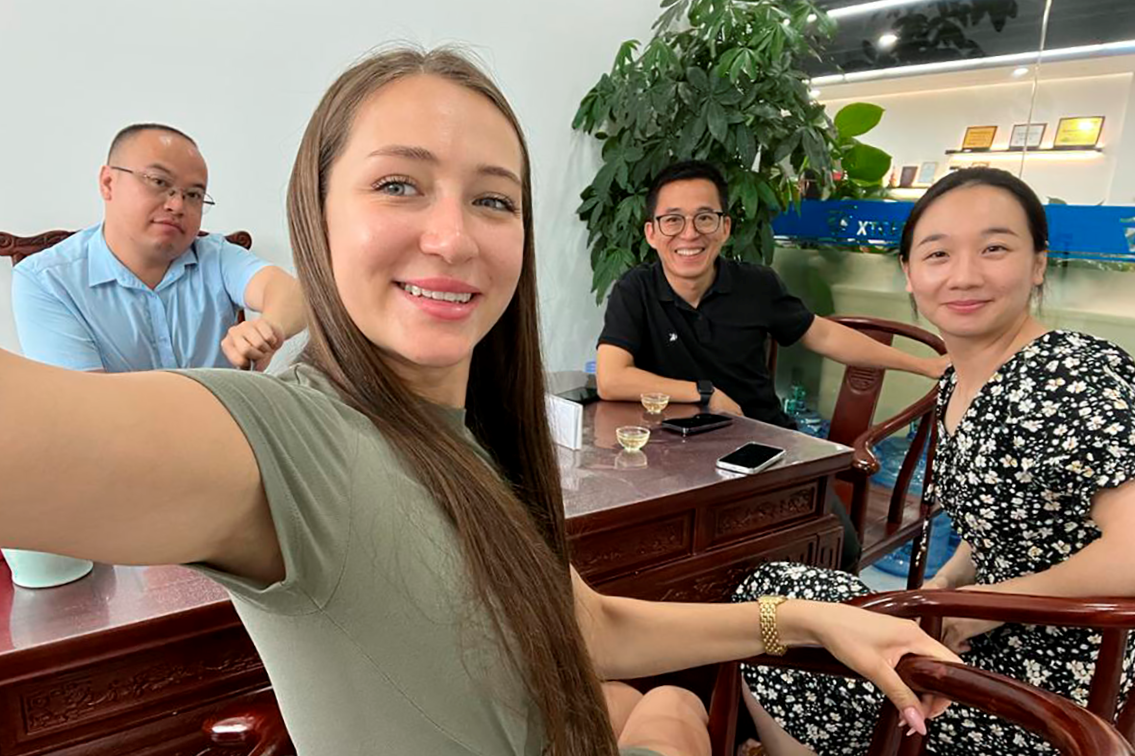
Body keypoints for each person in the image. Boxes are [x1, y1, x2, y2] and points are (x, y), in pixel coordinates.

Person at [0, 48, 959, 756]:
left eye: (493, 200)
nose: (453, 238)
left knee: (657, 704)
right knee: (667, 712)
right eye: (398, 185)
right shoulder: (284, 439)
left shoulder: (477, 439)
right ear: (316, 216)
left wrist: (805, 619)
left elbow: (586, 627)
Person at [733, 167, 1135, 756]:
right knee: (772, 596)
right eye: (938, 253)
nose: (963, 275)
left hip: (1049, 692)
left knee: (772, 629)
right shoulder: (962, 380)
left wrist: (975, 609)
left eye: (994, 248)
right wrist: (946, 584)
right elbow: (1002, 522)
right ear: (910, 272)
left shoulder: (1070, 375)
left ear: (1039, 263)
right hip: (977, 632)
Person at [596, 160, 948, 429]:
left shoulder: (757, 285)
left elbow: (824, 335)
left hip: (761, 438)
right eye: (673, 220)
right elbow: (611, 380)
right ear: (652, 233)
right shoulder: (635, 289)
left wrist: (923, 365)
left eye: (704, 218)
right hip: (676, 443)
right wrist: (705, 393)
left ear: (725, 228)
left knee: (823, 507)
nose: (689, 234)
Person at [11, 123, 305, 372]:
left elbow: (294, 295)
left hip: (224, 421)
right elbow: (86, 405)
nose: (177, 205)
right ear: (108, 183)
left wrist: (269, 330)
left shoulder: (214, 256)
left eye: (194, 195)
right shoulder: (45, 280)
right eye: (159, 182)